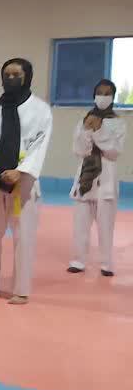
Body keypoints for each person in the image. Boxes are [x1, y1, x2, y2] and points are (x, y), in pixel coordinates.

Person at [0, 59, 53, 305]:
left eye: (17, 74)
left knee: (24, 237)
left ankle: (21, 289)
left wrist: (22, 171)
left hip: (23, 181)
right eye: (6, 74)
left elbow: (40, 144)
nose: (11, 79)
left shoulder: (40, 109)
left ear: (28, 77)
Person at [69, 79, 125, 277]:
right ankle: (78, 260)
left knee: (106, 225)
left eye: (107, 93)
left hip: (106, 179)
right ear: (94, 95)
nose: (103, 96)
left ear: (113, 97)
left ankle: (106, 264)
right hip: (86, 177)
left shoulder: (118, 123)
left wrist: (99, 130)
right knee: (80, 224)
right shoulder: (84, 120)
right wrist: (87, 130)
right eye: (100, 92)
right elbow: (79, 150)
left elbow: (114, 152)